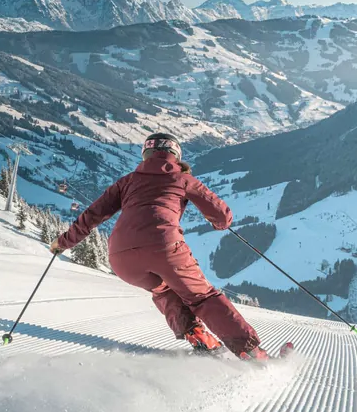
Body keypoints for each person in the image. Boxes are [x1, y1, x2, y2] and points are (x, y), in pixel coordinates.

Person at [51, 133, 268, 360]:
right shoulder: (182, 179)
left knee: (164, 289)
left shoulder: (127, 181)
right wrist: (219, 223)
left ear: (146, 154)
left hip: (120, 257)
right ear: (175, 155)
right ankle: (251, 352)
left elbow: (93, 215)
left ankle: (198, 336)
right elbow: (222, 216)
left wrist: (63, 242)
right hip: (164, 247)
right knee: (202, 297)